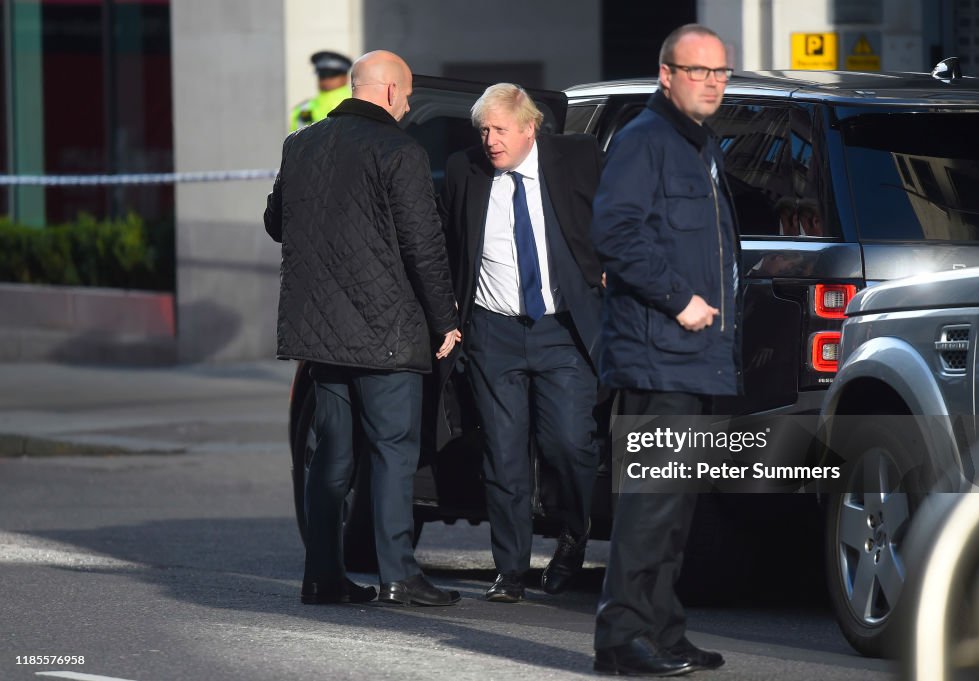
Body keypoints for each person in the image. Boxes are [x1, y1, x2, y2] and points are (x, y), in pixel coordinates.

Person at [265, 50, 463, 607]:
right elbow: (423, 246)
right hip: (387, 334)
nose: (407, 107)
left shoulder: (299, 145)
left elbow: (276, 223)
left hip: (322, 335)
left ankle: (322, 576)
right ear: (393, 92)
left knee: (331, 457)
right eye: (408, 97)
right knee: (394, 452)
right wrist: (446, 320)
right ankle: (398, 575)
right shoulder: (400, 150)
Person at [590, 24, 741, 676]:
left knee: (675, 515)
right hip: (657, 354)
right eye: (697, 70)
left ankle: (663, 630)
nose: (711, 81)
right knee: (649, 509)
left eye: (720, 72)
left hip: (694, 358)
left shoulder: (699, 147)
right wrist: (680, 299)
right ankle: (621, 638)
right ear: (666, 73)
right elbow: (615, 231)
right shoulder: (644, 141)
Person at [439, 83, 604, 603]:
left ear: (530, 128)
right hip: (492, 332)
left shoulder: (578, 158)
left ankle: (574, 534)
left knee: (569, 443)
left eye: (500, 130)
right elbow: (445, 248)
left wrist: (609, 273)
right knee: (503, 456)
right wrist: (447, 319)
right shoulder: (464, 171)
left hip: (562, 330)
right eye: (484, 130)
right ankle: (509, 570)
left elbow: (619, 218)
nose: (490, 140)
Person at [289, 51, 353, 131]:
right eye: (322, 75)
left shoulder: (355, 104)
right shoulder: (303, 109)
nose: (326, 79)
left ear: (345, 77)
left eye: (332, 75)